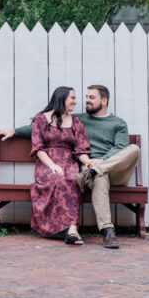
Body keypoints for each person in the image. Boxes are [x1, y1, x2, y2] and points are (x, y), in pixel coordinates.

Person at [0, 85, 139, 249]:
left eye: (91, 98)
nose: (85, 101)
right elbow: (39, 129)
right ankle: (107, 232)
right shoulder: (77, 119)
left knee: (133, 150)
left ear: (104, 100)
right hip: (89, 171)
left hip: (112, 169)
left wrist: (99, 163)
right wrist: (14, 130)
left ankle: (94, 171)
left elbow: (120, 148)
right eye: (85, 97)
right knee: (97, 176)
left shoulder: (118, 124)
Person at [27, 86, 91, 244]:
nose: (76, 102)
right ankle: (67, 228)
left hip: (70, 162)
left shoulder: (76, 122)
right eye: (73, 98)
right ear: (62, 98)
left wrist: (87, 162)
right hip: (47, 164)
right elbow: (38, 148)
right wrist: (52, 165)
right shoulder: (41, 119)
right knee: (59, 178)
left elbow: (81, 149)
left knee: (74, 180)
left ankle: (71, 229)